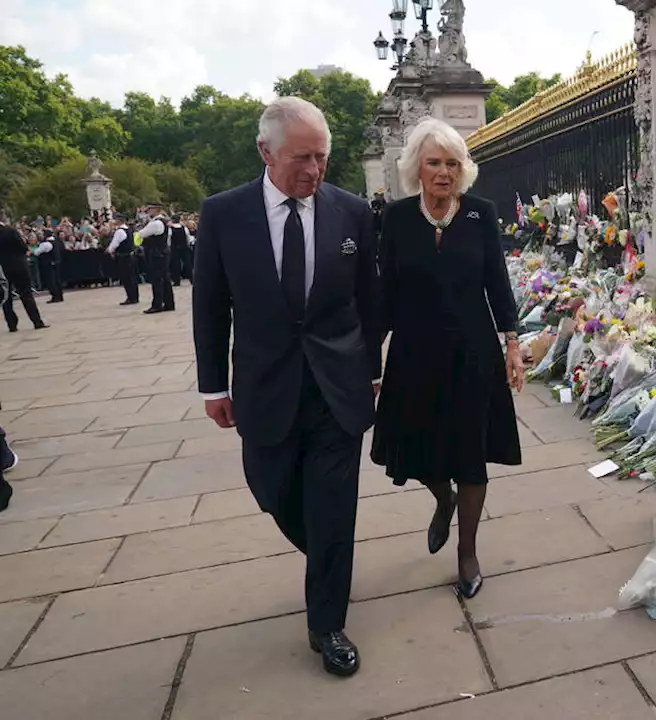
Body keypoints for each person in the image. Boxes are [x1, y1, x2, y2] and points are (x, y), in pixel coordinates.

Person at [193, 96, 381, 678]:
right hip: (264, 384)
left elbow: (369, 301)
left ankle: (327, 622)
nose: (314, 170)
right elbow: (209, 305)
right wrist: (212, 386)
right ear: (265, 152)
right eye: (302, 157)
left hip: (337, 386)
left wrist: (372, 369)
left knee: (333, 507)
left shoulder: (351, 212)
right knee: (271, 489)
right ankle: (325, 555)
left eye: (322, 157)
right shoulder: (224, 214)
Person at [371, 117, 524, 601]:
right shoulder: (395, 218)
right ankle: (443, 500)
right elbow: (386, 290)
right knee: (417, 447)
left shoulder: (480, 213)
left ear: (463, 169)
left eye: (452, 163)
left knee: (471, 452)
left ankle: (468, 551)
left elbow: (497, 282)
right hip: (415, 352)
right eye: (434, 162)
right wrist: (371, 359)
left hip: (473, 351)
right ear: (416, 166)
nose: (443, 172)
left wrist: (513, 343)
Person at [0, 214, 48, 331]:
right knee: (26, 294)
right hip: (18, 265)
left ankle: (12, 324)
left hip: (2, 267)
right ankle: (36, 321)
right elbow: (22, 246)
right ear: (2, 217)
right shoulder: (10, 231)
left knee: (6, 297)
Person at [138, 206, 174, 314]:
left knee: (157, 279)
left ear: (155, 210)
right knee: (165, 279)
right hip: (163, 252)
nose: (148, 212)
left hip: (156, 253)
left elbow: (141, 234)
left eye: (149, 210)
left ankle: (157, 304)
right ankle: (169, 303)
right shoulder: (164, 222)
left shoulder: (155, 223)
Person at [107, 216, 140, 305]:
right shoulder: (129, 230)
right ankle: (135, 296)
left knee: (126, 277)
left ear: (119, 221)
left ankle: (131, 297)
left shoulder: (119, 231)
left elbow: (114, 244)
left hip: (123, 257)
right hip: (131, 256)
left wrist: (109, 250)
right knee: (132, 277)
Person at [34, 230, 65, 302]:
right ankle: (60, 296)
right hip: (56, 263)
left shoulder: (46, 244)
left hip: (48, 264)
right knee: (57, 280)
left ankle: (55, 296)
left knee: (51, 281)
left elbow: (36, 252)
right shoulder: (56, 242)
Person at [169, 215, 192, 286]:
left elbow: (169, 239)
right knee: (188, 263)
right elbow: (188, 237)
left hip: (174, 248)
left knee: (175, 265)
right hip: (184, 247)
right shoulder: (184, 228)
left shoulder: (170, 229)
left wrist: (169, 246)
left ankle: (176, 281)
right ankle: (192, 279)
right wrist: (187, 244)